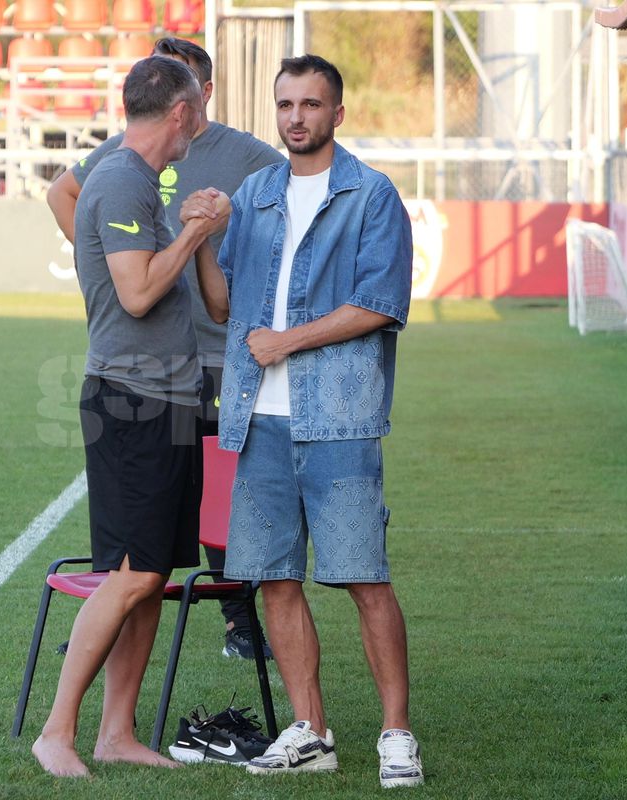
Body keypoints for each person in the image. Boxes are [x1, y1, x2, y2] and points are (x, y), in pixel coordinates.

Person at [181, 54, 423, 789]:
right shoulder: (254, 194)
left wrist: (287, 341)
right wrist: (198, 243)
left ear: (337, 114)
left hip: (340, 421)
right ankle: (310, 729)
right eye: (286, 104)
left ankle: (396, 733)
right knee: (275, 580)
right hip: (258, 419)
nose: (296, 117)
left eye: (312, 104)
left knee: (364, 579)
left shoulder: (371, 195)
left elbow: (381, 303)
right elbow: (225, 307)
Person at [47, 36, 283, 660]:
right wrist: (112, 265)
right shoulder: (126, 168)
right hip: (141, 380)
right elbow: (131, 284)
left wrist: (190, 248)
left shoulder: (246, 155)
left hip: (208, 359)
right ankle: (65, 725)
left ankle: (237, 615)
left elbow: (223, 290)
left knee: (203, 514)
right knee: (140, 564)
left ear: (202, 93)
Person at [31, 55, 226, 779]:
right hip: (133, 403)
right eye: (196, 110)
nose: (199, 123)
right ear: (179, 113)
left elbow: (206, 301)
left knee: (152, 576)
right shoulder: (117, 177)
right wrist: (193, 232)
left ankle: (117, 733)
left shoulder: (144, 183)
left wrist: (194, 231)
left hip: (172, 400)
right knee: (131, 575)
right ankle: (58, 730)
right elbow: (139, 293)